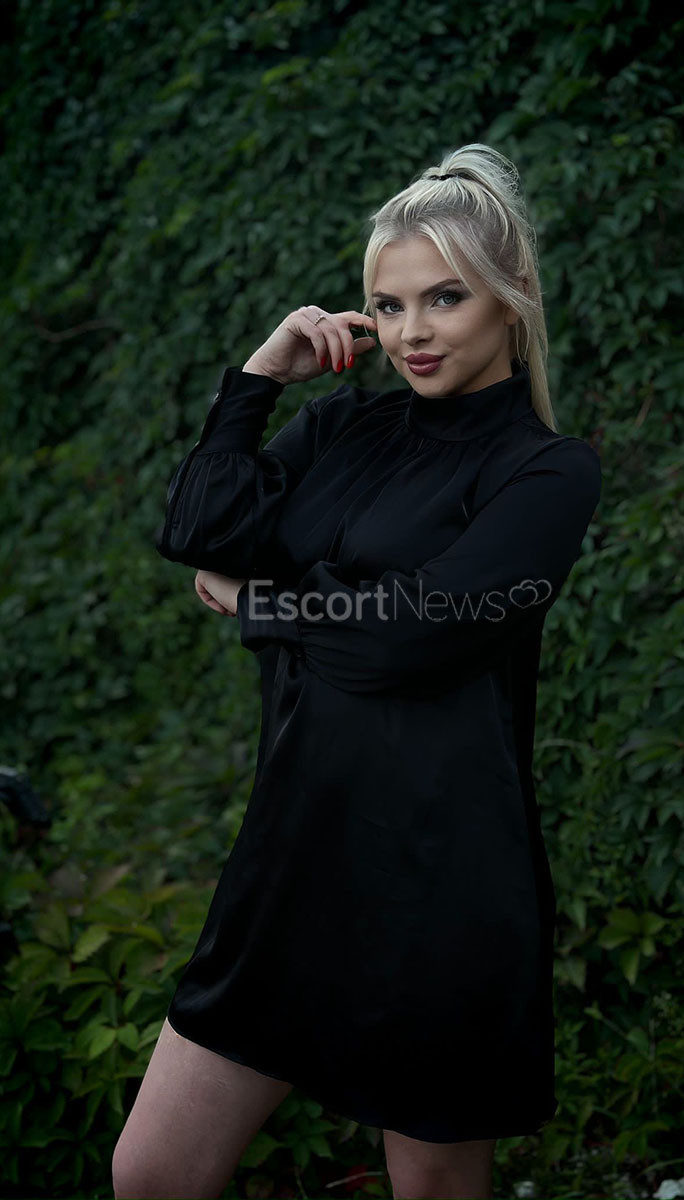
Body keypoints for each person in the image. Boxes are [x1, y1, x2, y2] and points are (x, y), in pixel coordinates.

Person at [112, 142, 602, 1200]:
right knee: (151, 1174)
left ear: (510, 296)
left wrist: (261, 605)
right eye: (388, 305)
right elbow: (199, 531)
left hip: (441, 882)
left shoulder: (548, 472)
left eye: (444, 298)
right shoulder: (342, 424)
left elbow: (412, 634)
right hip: (292, 850)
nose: (412, 332)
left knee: (431, 1193)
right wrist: (258, 378)